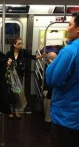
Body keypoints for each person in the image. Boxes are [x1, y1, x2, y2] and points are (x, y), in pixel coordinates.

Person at [46, 12, 79, 147]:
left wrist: (53, 61)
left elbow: (53, 79)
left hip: (66, 116)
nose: (66, 28)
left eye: (70, 24)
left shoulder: (70, 51)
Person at [6, 37, 45, 118]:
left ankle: (16, 110)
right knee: (10, 93)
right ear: (14, 45)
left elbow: (32, 57)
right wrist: (8, 63)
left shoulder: (23, 52)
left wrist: (41, 56)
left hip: (19, 76)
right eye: (19, 44)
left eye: (21, 43)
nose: (21, 45)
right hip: (10, 76)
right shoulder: (9, 53)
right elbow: (5, 63)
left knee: (17, 93)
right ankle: (10, 110)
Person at [43, 52, 57, 131]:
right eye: (53, 58)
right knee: (48, 103)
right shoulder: (44, 68)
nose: (55, 60)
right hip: (48, 89)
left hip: (54, 89)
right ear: (48, 60)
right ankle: (47, 122)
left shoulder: (57, 67)